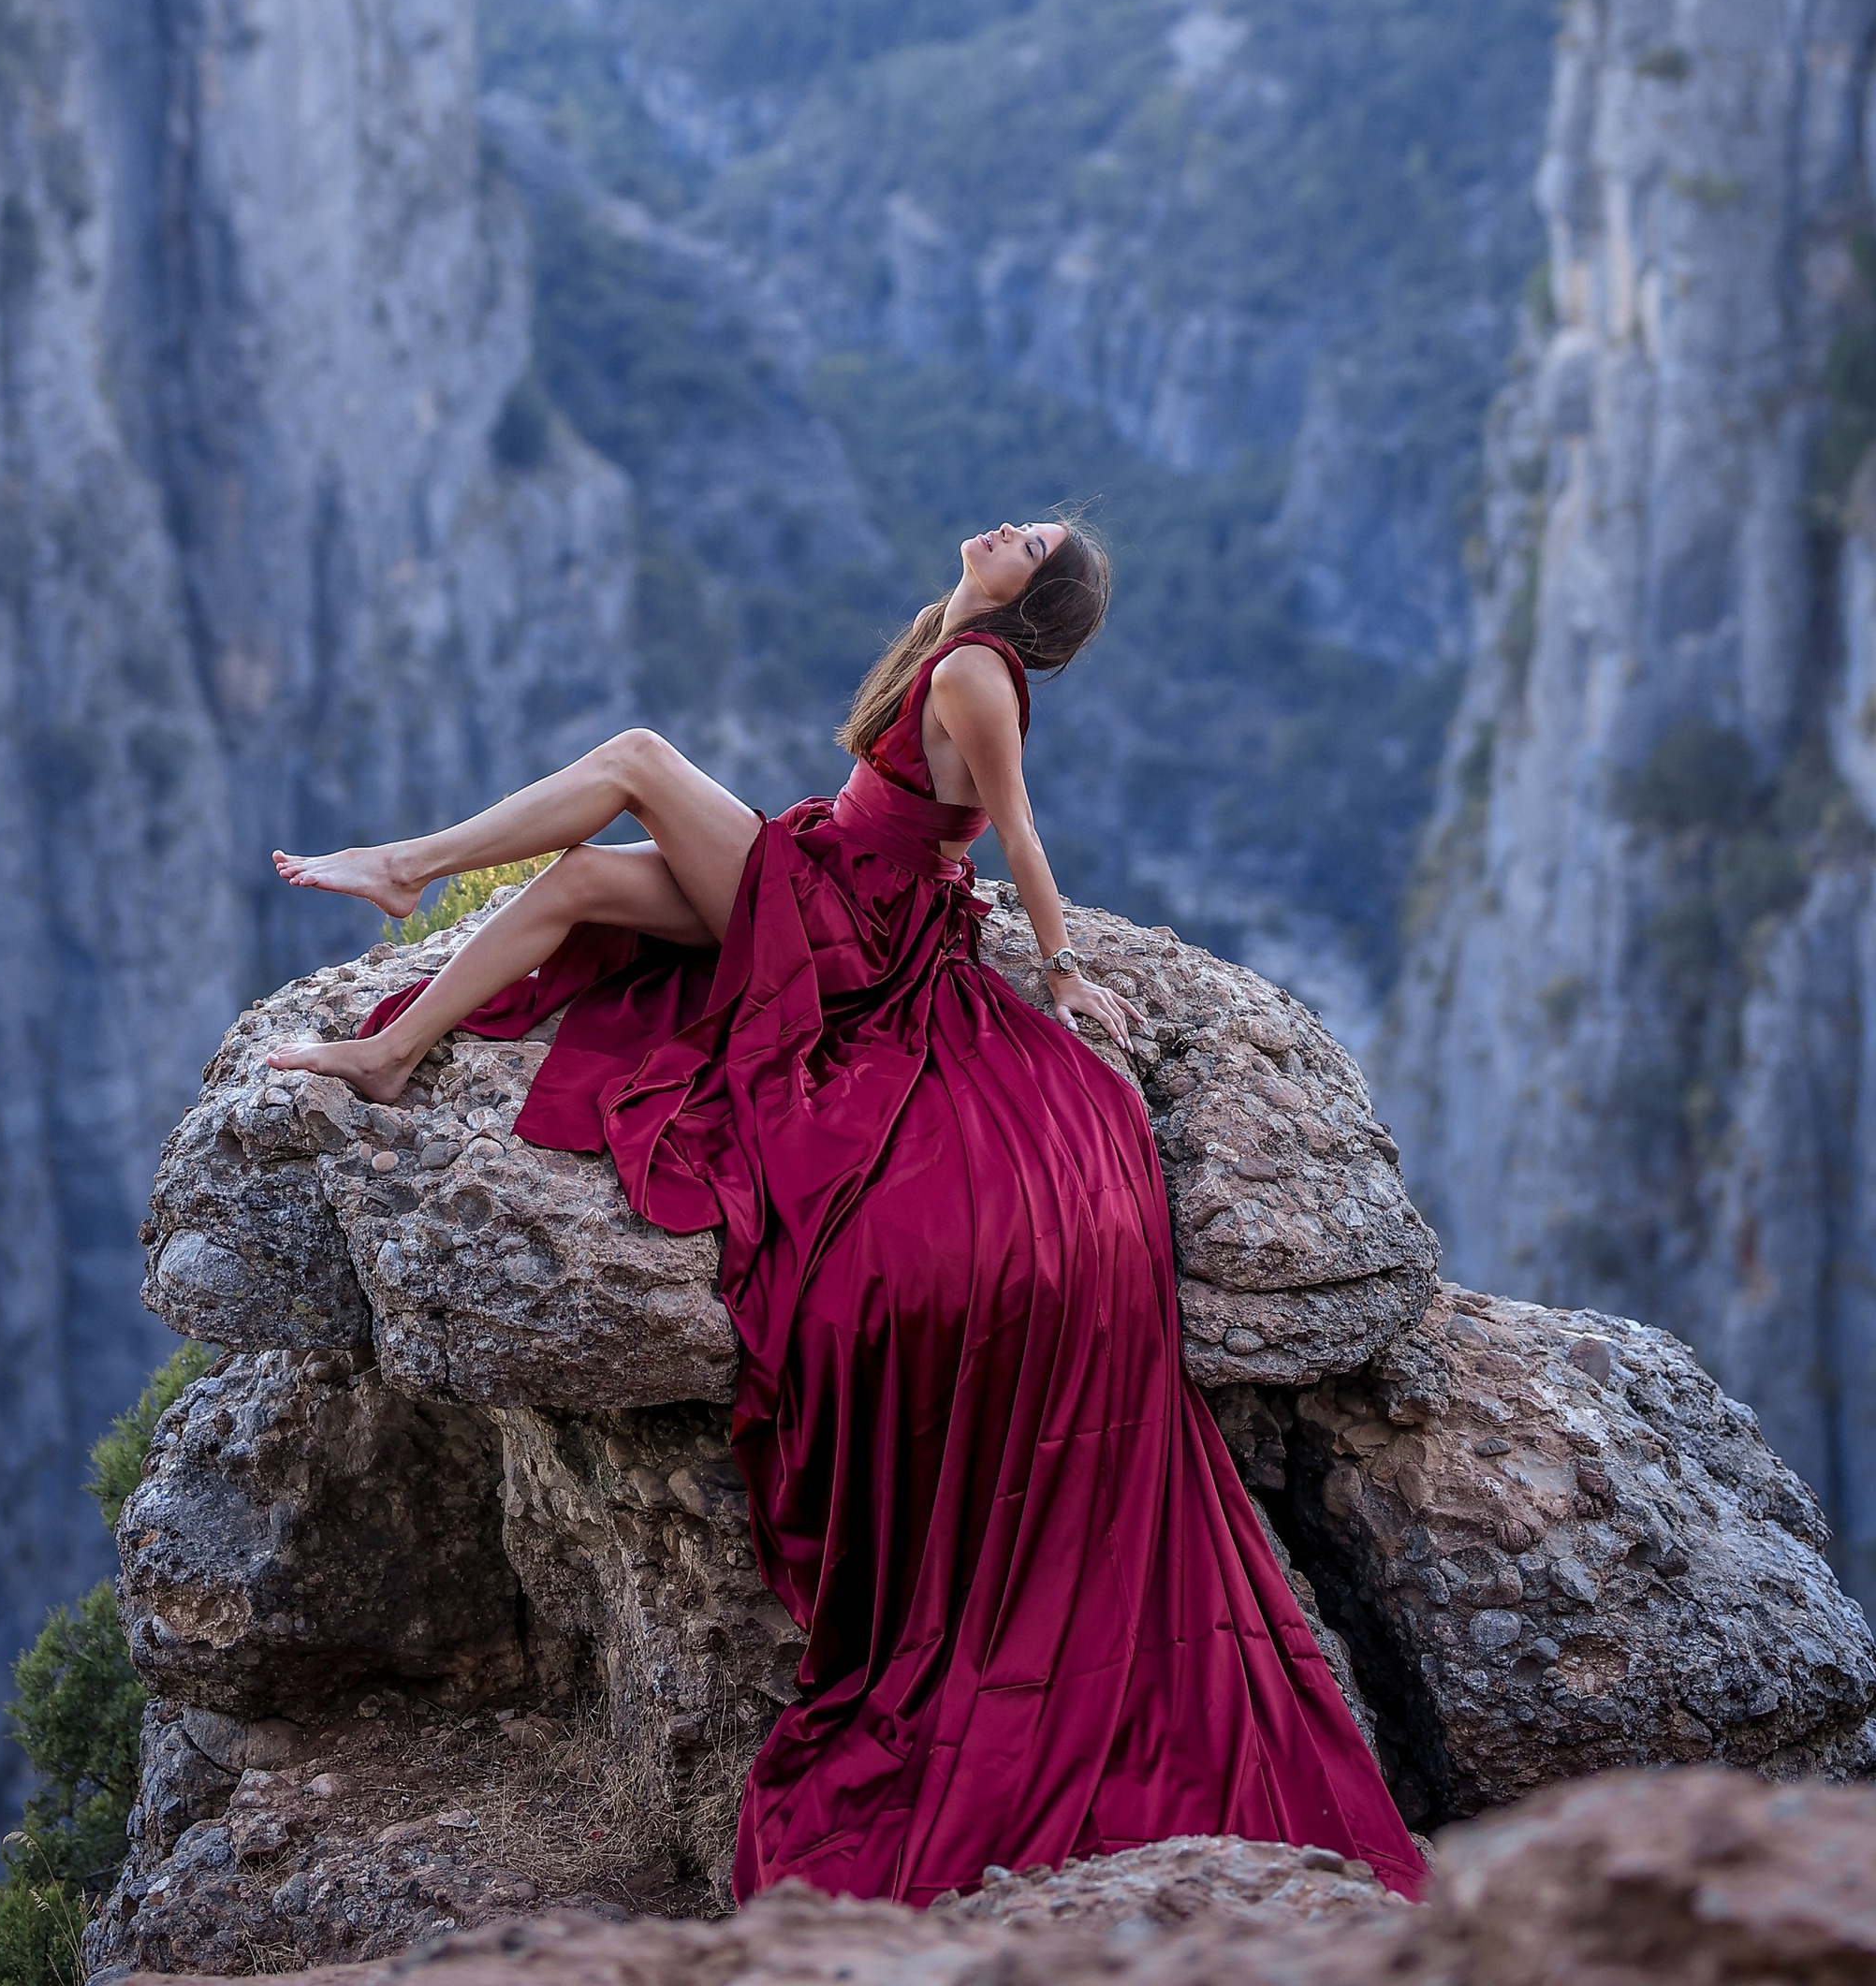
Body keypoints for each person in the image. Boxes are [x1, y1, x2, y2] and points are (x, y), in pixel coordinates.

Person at [268, 516, 1423, 1909]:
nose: (1005, 528)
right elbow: (939, 818)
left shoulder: (978, 676)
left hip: (841, 925)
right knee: (579, 882)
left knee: (635, 759)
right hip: (833, 880)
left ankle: (410, 867)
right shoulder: (952, 642)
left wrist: (1060, 970)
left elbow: (1018, 824)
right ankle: (392, 1050)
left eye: (1030, 538)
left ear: (1035, 592)